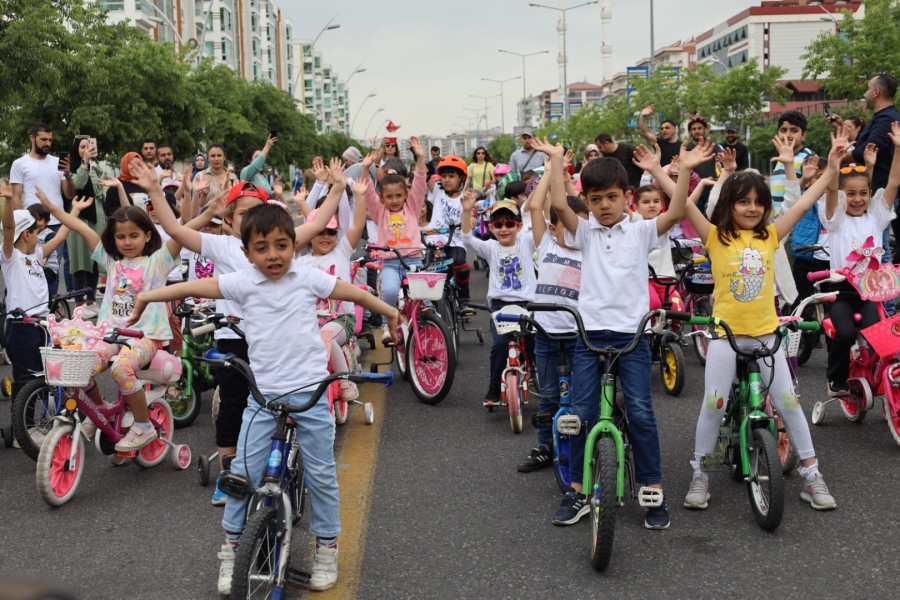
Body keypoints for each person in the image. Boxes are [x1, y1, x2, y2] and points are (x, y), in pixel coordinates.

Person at [126, 202, 400, 594]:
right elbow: (192, 286)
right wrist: (147, 298)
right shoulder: (241, 282)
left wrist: (390, 312)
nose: (273, 255)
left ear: (294, 245)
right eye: (262, 248)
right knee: (241, 476)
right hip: (263, 397)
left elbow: (353, 293)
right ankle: (232, 548)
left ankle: (326, 547)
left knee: (322, 474)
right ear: (247, 252)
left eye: (282, 245)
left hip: (310, 394)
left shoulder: (307, 277)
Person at [146, 157, 347, 506]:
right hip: (232, 335)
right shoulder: (223, 245)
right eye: (242, 213)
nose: (251, 218)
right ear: (230, 219)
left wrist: (338, 188)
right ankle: (229, 469)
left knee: (285, 401)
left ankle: (288, 458)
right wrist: (153, 190)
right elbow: (177, 233)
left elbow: (314, 227)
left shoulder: (279, 243)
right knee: (234, 402)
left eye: (259, 210)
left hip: (273, 340)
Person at [544, 134, 715, 529]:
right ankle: (576, 490)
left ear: (628, 198)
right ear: (586, 201)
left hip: (633, 338)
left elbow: (675, 213)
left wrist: (684, 170)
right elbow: (557, 203)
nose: (605, 205)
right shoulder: (584, 232)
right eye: (596, 199)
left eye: (612, 197)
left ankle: (652, 488)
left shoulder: (640, 232)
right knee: (580, 413)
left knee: (640, 412)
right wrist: (556, 161)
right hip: (589, 338)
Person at [678, 135, 844, 513]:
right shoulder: (715, 237)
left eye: (758, 202)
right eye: (743, 202)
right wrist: (673, 170)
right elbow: (683, 206)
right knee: (714, 404)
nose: (752, 208)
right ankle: (700, 474)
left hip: (768, 336)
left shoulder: (770, 235)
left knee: (789, 404)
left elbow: (802, 203)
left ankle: (811, 475)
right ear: (729, 206)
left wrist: (831, 170)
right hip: (725, 337)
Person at [36, 160, 186, 453]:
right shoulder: (111, 261)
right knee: (76, 367)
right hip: (110, 336)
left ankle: (142, 425)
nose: (127, 242)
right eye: (120, 237)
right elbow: (80, 227)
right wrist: (54, 209)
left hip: (146, 338)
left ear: (147, 235)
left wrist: (206, 211)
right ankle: (99, 410)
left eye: (133, 235)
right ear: (113, 240)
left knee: (121, 368)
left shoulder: (156, 263)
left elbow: (182, 233)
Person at [516, 153, 587, 473]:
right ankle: (544, 445)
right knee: (546, 396)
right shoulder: (546, 245)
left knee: (577, 396)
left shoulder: (590, 251)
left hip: (577, 335)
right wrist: (548, 172)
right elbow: (534, 207)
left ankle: (579, 443)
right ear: (553, 227)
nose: (573, 234)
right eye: (566, 227)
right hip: (544, 334)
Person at [824, 122, 900, 397]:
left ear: (870, 195)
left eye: (864, 193)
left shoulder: (876, 217)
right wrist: (834, 163)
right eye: (851, 193)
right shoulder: (836, 220)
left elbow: (892, 182)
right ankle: (836, 380)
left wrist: (898, 149)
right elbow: (832, 191)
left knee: (878, 333)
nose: (858, 199)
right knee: (844, 333)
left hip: (872, 290)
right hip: (841, 292)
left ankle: (878, 375)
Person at [2, 186, 84, 398]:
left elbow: (61, 236)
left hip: (42, 326)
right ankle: (25, 428)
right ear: (27, 234)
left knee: (46, 377)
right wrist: (9, 201)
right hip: (21, 327)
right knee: (26, 383)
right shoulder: (11, 258)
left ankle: (44, 422)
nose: (41, 237)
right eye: (37, 233)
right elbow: (10, 227)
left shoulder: (36, 254)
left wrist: (74, 210)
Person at [461, 193, 537, 404]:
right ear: (491, 227)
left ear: (519, 226)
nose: (504, 228)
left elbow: (541, 227)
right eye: (498, 224)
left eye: (510, 223)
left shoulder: (527, 242)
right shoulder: (490, 247)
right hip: (500, 305)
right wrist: (467, 210)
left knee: (535, 344)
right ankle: (494, 387)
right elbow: (466, 238)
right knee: (500, 345)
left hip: (527, 303)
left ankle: (537, 375)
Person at [300, 174, 370, 402]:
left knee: (324, 336)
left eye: (331, 232)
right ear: (309, 233)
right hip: (309, 321)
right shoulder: (299, 261)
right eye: (320, 231)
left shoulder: (341, 251)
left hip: (341, 319)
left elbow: (358, 224)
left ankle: (344, 379)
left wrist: (359, 196)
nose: (326, 236)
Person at [361, 139, 428, 340]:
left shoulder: (412, 207)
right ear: (382, 198)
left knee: (426, 300)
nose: (395, 200)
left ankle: (432, 326)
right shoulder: (379, 211)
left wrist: (421, 158)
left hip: (414, 261)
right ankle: (385, 326)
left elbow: (420, 184)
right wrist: (365, 169)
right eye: (389, 197)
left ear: (406, 195)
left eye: (399, 196)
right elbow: (368, 193)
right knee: (389, 292)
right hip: (390, 264)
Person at [10, 123, 76, 297]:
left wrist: (68, 175)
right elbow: (16, 196)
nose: (47, 143)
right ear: (32, 138)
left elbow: (69, 194)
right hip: (31, 226)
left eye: (50, 140)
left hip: (56, 224)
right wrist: (20, 225)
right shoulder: (19, 163)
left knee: (53, 269)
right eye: (43, 139)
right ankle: (31, 305)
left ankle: (51, 311)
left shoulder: (57, 163)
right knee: (29, 266)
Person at [69, 135, 109, 317]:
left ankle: (91, 302)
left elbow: (101, 183)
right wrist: (85, 162)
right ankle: (79, 304)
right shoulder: (71, 168)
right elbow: (77, 184)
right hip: (79, 216)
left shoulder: (94, 167)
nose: (86, 149)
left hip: (97, 215)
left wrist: (93, 161)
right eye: (82, 146)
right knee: (79, 262)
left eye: (89, 146)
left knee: (95, 259)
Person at [426, 154, 472, 307]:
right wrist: (417, 155)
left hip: (456, 242)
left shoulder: (464, 199)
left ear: (461, 179)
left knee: (460, 265)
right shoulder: (437, 191)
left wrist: (471, 218)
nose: (446, 179)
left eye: (451, 176)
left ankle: (464, 297)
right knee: (436, 268)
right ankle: (437, 306)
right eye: (444, 176)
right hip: (436, 243)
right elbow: (423, 175)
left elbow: (470, 215)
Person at [770, 111, 816, 212]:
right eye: (783, 130)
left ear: (803, 135)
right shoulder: (781, 159)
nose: (788, 135)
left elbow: (814, 191)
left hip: (797, 220)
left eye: (794, 131)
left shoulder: (809, 158)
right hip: (777, 220)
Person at [684, 117, 723, 214]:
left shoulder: (712, 144)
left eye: (699, 128)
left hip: (712, 188)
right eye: (694, 129)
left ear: (705, 129)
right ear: (690, 132)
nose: (697, 131)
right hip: (694, 191)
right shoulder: (687, 148)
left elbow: (723, 158)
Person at [25, 204, 59, 295]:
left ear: (47, 221)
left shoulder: (49, 234)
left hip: (48, 268)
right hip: (33, 267)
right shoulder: (27, 233)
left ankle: (48, 304)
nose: (35, 223)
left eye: (39, 220)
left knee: (41, 281)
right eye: (33, 220)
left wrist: (44, 259)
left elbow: (48, 249)